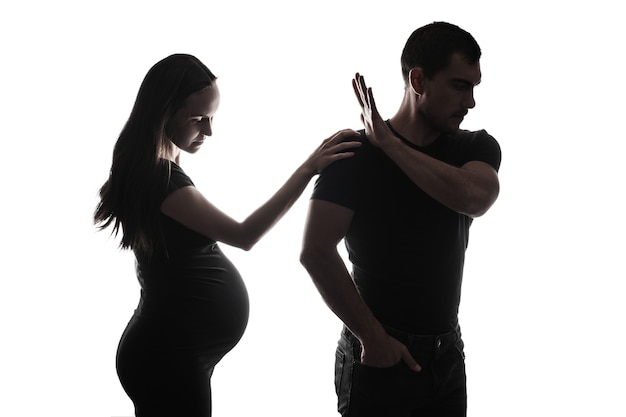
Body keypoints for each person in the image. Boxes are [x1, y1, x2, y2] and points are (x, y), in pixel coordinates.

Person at [93, 53, 360, 417]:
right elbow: (244, 234)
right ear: (164, 113)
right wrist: (308, 168)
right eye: (198, 120)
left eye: (212, 117)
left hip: (172, 353)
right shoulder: (159, 181)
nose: (209, 131)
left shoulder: (158, 169)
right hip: (167, 358)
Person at [300, 22, 502, 416]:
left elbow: (477, 198)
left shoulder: (473, 146)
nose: (471, 101)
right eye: (460, 86)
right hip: (379, 356)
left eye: (474, 87)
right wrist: (372, 339)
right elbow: (315, 251)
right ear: (419, 80)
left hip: (446, 355)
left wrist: (390, 145)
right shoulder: (354, 155)